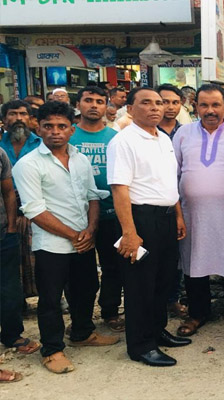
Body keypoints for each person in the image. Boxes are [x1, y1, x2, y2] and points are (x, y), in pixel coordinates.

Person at [13, 101, 119, 374]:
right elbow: (35, 210)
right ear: (38, 128)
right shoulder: (28, 165)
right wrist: (74, 235)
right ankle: (52, 350)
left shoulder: (80, 159)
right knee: (50, 299)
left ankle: (82, 333)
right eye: (48, 126)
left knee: (87, 288)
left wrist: (90, 230)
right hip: (52, 244)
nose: (55, 132)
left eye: (62, 126)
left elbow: (93, 196)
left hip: (83, 239)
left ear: (72, 130)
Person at [107, 87, 190, 367]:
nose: (155, 107)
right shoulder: (124, 141)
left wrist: (178, 215)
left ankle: (157, 331)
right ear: (130, 109)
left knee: (163, 280)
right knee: (140, 284)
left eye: (159, 103)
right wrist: (129, 233)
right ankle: (141, 345)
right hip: (140, 219)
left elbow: (168, 182)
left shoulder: (163, 138)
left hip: (166, 217)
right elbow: (120, 189)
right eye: (146, 103)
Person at [173, 84, 224, 338]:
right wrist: (177, 213)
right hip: (192, 214)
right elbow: (173, 173)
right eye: (204, 105)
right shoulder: (183, 133)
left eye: (216, 105)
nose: (210, 110)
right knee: (194, 262)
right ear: (195, 107)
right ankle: (198, 313)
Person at [70, 86, 123, 332]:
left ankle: (110, 312)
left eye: (99, 101)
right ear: (78, 105)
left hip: (111, 213)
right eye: (88, 100)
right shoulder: (68, 136)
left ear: (106, 106)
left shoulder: (115, 137)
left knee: (113, 267)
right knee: (80, 271)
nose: (94, 105)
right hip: (76, 216)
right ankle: (80, 318)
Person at [0, 145, 40, 378]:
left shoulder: (0, 154)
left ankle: (12, 334)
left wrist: (12, 227)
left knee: (10, 289)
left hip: (3, 234)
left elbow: (8, 192)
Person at [0, 100, 42, 298]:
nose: (18, 118)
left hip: (38, 212)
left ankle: (49, 297)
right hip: (7, 214)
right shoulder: (0, 146)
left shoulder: (41, 144)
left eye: (23, 114)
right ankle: (17, 302)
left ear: (30, 118)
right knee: (12, 263)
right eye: (13, 114)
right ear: (3, 119)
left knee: (40, 260)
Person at [156, 84, 187, 319]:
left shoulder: (186, 132)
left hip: (181, 200)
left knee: (176, 255)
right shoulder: (149, 131)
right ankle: (156, 303)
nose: (170, 107)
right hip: (155, 203)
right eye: (164, 101)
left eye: (175, 102)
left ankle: (173, 299)